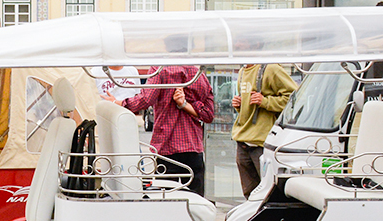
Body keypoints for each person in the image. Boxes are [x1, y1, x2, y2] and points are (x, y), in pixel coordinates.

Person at [111, 65, 216, 196]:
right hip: (193, 147)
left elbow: (146, 99)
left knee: (165, 199)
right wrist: (187, 105)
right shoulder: (198, 74)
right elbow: (209, 114)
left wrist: (120, 103)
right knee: (195, 200)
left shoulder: (159, 69)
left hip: (167, 146)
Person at [232, 62, 298, 198]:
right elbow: (249, 105)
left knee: (269, 192)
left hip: (263, 143)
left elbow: (295, 96)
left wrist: (266, 102)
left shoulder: (271, 68)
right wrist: (239, 104)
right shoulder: (242, 71)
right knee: (250, 194)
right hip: (243, 140)